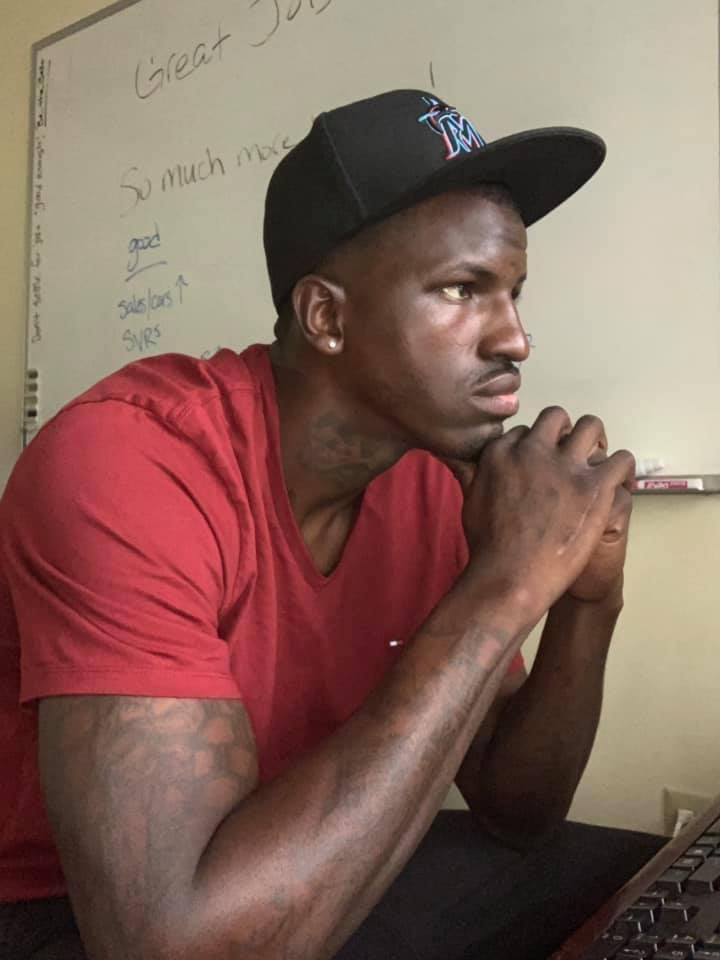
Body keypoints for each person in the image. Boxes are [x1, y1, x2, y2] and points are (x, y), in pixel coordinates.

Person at [0, 89, 663, 960]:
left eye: (513, 293)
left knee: (638, 890)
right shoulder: (130, 462)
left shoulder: (432, 479)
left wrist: (584, 599)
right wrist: (504, 587)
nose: (515, 340)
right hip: (64, 911)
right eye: (463, 289)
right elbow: (168, 944)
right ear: (327, 317)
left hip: (297, 863)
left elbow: (518, 813)